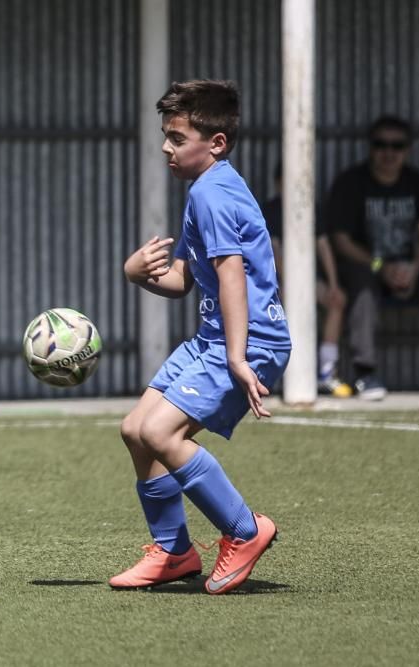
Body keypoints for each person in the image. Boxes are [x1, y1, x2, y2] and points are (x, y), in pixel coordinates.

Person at [112, 80, 290, 595]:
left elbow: (231, 274)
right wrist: (136, 272)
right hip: (216, 338)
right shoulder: (207, 189)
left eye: (176, 137)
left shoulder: (212, 194)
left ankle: (245, 532)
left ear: (215, 142)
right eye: (165, 136)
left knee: (162, 434)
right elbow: (186, 279)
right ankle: (173, 552)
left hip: (247, 341)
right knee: (135, 428)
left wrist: (237, 357)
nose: (166, 148)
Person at [327, 115, 419, 400]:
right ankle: (365, 374)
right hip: (370, 267)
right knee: (362, 284)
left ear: (407, 149)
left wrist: (414, 269)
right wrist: (382, 268)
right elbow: (341, 241)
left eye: (397, 145)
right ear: (371, 148)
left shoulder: (417, 183)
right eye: (381, 144)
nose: (389, 152)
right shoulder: (351, 183)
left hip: (410, 269)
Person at [261, 163, 352, 397]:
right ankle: (270, 375)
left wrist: (333, 284)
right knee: (274, 316)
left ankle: (326, 371)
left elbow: (323, 246)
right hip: (273, 281)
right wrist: (288, 285)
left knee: (336, 301)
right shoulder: (271, 210)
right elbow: (275, 251)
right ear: (279, 183)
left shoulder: (311, 209)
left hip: (306, 279)